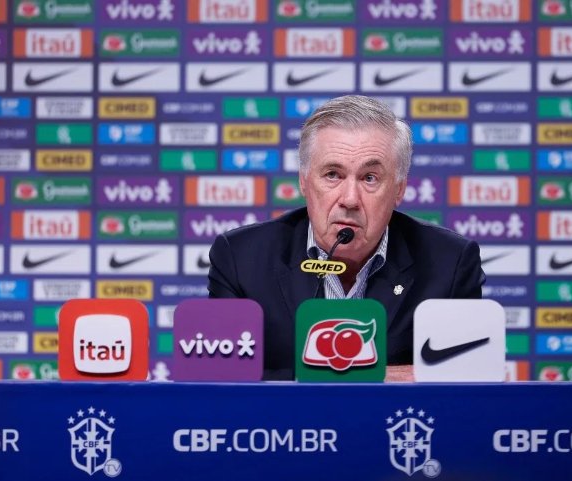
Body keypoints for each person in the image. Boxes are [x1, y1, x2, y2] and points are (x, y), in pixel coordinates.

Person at [208, 95, 485, 380]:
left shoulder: (449, 263)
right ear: (304, 181)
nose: (350, 199)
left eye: (369, 178)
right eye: (332, 175)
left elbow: (468, 382)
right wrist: (370, 376)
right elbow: (221, 380)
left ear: (399, 189)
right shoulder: (241, 259)